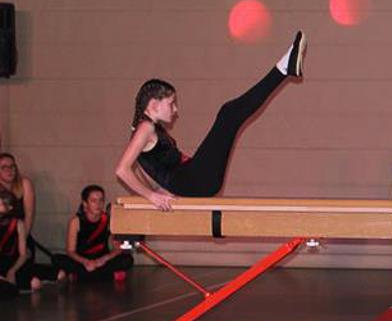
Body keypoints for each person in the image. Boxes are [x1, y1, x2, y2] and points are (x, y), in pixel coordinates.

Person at [115, 31, 306, 210]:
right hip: (196, 179)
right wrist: (151, 196)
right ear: (154, 104)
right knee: (229, 114)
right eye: (171, 104)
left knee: (229, 114)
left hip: (195, 179)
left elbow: (144, 168)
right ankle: (283, 68)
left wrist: (159, 191)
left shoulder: (145, 130)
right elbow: (122, 170)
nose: (175, 110)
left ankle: (284, 68)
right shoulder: (145, 128)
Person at [54, 185, 134, 283]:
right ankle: (109, 276)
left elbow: (117, 249)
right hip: (82, 261)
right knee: (56, 259)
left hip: (102, 260)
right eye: (93, 201)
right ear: (85, 203)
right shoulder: (75, 221)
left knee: (127, 259)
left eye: (101, 200)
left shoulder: (108, 220)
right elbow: (70, 251)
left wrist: (102, 260)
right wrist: (86, 262)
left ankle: (79, 277)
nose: (98, 204)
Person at [0, 187, 55, 295]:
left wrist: (12, 271)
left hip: (10, 262)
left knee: (34, 283)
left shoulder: (18, 224)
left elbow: (23, 254)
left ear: (9, 207)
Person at [0, 153, 36, 237]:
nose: (9, 170)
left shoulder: (24, 184)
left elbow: (29, 218)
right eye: (4, 167)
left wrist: (22, 239)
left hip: (20, 234)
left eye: (12, 166)